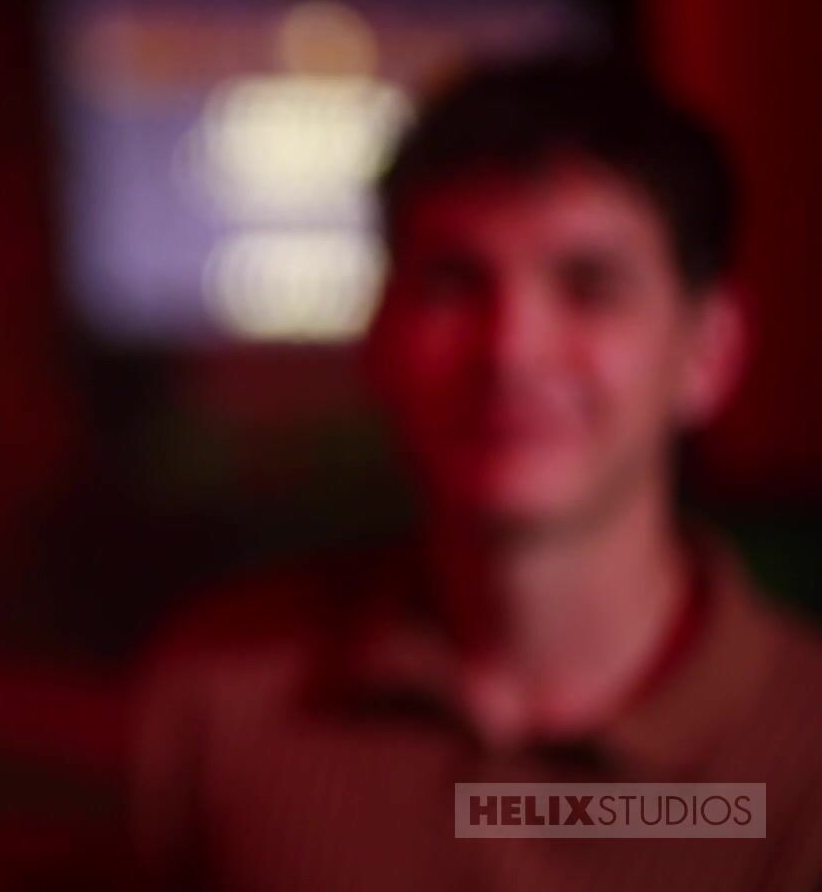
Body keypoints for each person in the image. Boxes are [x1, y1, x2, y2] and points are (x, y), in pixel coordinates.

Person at [129, 58, 822, 890]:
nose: (511, 351)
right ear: (379, 336)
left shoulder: (800, 753)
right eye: (453, 284)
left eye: (590, 287)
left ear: (710, 350)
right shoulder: (222, 699)